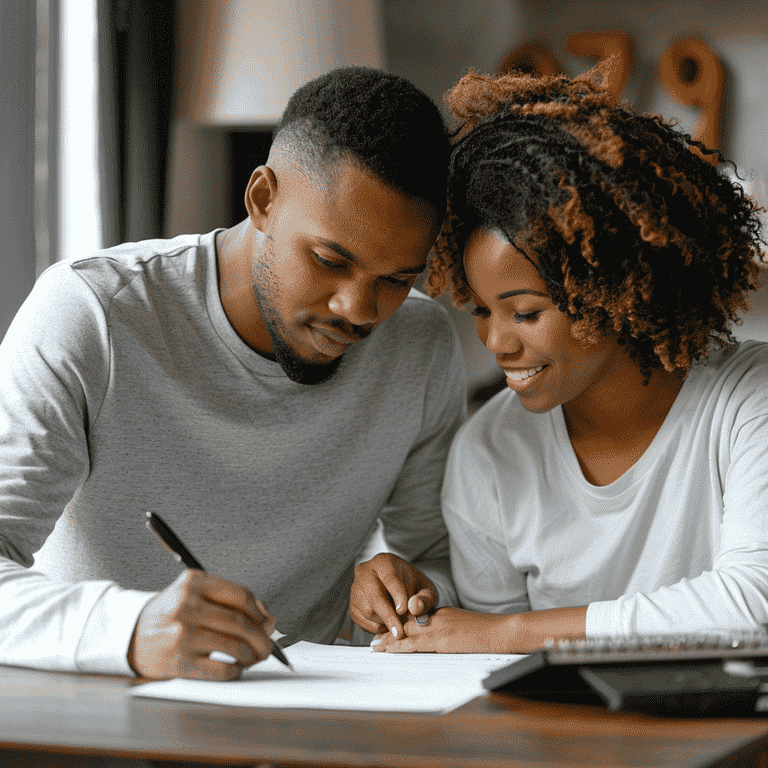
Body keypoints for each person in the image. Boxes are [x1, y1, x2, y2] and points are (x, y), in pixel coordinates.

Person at [0, 67, 466, 679]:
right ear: (262, 199)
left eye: (396, 279)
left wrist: (411, 587)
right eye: (330, 260)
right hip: (112, 707)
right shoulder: (93, 313)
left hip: (315, 708)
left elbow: (438, 559)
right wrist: (133, 630)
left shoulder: (420, 344)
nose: (357, 308)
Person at [368, 66, 768, 655]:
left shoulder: (747, 401)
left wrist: (506, 632)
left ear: (611, 287)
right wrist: (428, 608)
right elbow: (485, 662)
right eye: (481, 311)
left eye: (525, 313)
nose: (497, 343)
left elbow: (752, 609)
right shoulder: (489, 451)